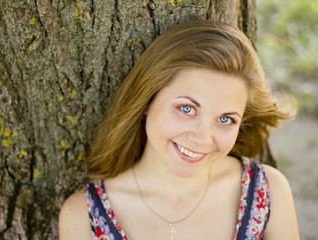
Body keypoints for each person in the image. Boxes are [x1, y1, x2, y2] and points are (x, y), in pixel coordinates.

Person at [59, 20, 299, 240]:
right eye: (187, 108)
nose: (203, 138)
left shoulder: (267, 192)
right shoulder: (84, 215)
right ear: (147, 100)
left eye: (225, 119)